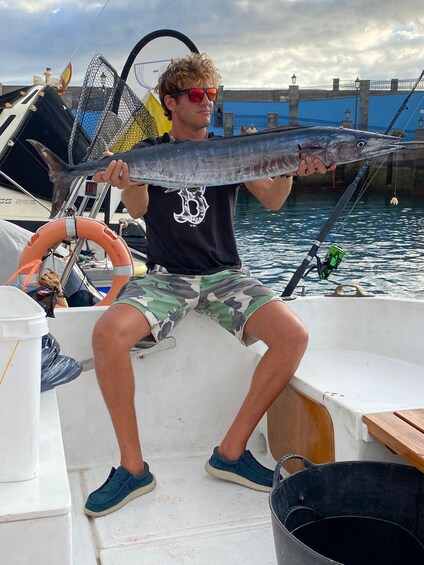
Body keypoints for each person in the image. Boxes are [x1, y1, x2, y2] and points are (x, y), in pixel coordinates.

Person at [84, 53, 333, 517]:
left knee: (293, 336)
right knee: (106, 335)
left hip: (224, 276)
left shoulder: (231, 151)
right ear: (171, 103)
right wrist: (125, 181)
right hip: (167, 276)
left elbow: (274, 200)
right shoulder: (148, 152)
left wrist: (293, 169)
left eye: (212, 94)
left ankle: (231, 453)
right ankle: (133, 469)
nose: (207, 104)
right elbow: (137, 210)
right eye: (196, 95)